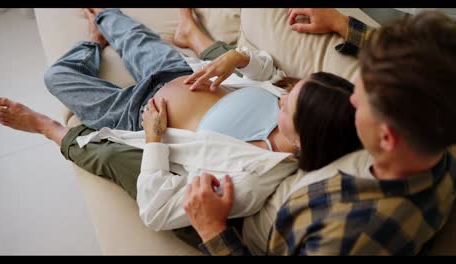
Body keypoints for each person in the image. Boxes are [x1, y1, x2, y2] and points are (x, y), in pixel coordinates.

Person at [0, 8, 361, 231]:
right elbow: (271, 70)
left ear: (302, 140)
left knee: (56, 77)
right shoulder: (293, 103)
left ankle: (50, 124)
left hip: (136, 116)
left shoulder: (252, 179)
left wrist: (153, 139)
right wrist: (240, 60)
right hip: (178, 70)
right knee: (115, 20)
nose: (283, 97)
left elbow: (156, 210)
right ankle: (99, 34)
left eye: (287, 105)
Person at [183, 10, 456, 255]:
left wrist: (213, 231)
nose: (351, 101)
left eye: (359, 103)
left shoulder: (348, 238)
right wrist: (343, 23)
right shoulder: (439, 123)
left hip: (229, 222)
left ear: (387, 138)